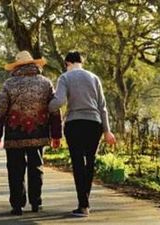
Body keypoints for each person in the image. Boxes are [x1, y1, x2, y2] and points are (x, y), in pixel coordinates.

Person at [0, 50, 62, 216]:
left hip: (15, 133)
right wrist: (56, 135)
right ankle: (36, 203)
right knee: (36, 168)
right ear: (34, 64)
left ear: (17, 66)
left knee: (15, 169)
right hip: (38, 132)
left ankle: (17, 205)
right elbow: (54, 110)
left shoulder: (9, 84)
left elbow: (0, 110)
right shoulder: (45, 83)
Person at [49, 51, 116, 217]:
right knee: (90, 162)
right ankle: (85, 202)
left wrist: (46, 107)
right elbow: (103, 106)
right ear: (82, 62)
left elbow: (60, 101)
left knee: (78, 162)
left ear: (67, 63)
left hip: (75, 124)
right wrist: (107, 131)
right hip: (95, 124)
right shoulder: (94, 78)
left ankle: (83, 205)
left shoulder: (65, 77)